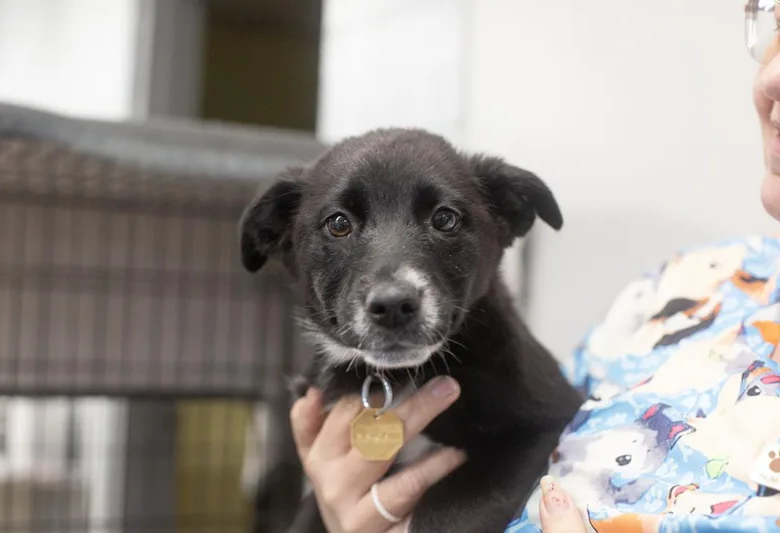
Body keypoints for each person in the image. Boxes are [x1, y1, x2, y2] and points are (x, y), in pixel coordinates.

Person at [290, 1, 780, 531]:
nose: (774, 74)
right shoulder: (684, 288)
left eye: (445, 220)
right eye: (777, 22)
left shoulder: (503, 380)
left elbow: (538, 431)